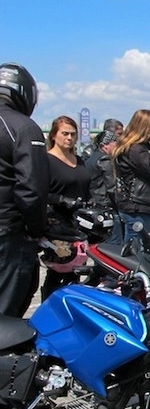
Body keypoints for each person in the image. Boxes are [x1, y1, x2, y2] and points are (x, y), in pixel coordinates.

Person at [0, 63, 49, 317]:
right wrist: (37, 230)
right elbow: (32, 190)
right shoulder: (23, 127)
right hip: (9, 234)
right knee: (7, 316)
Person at [42, 115, 92, 300]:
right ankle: (50, 307)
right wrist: (61, 200)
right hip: (56, 225)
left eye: (73, 134)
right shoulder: (46, 160)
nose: (69, 138)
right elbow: (39, 191)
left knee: (77, 272)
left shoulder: (78, 160)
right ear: (54, 135)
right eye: (65, 133)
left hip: (78, 225)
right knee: (59, 272)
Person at [113, 109, 150, 241]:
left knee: (146, 249)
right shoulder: (134, 149)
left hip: (142, 206)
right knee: (138, 253)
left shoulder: (139, 148)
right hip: (137, 207)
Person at [85, 128, 123, 244]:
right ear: (105, 145)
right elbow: (111, 187)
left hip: (94, 207)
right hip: (106, 208)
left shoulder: (91, 159)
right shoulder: (104, 159)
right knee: (114, 244)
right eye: (115, 143)